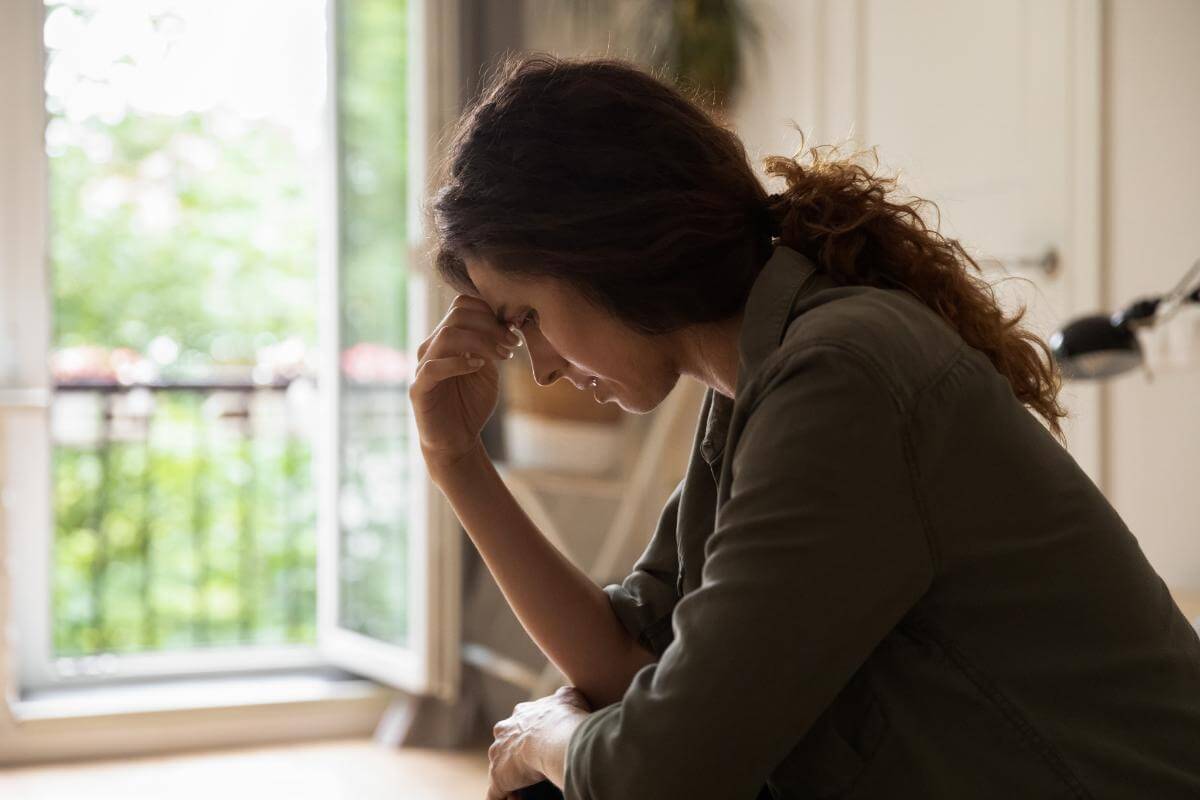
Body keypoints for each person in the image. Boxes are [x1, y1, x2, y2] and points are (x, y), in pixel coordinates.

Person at [411, 53, 1200, 800]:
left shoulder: (840, 377)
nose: (541, 367)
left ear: (605, 251)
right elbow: (634, 658)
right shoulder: (756, 388)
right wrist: (456, 460)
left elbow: (663, 773)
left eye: (531, 319)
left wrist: (546, 736)